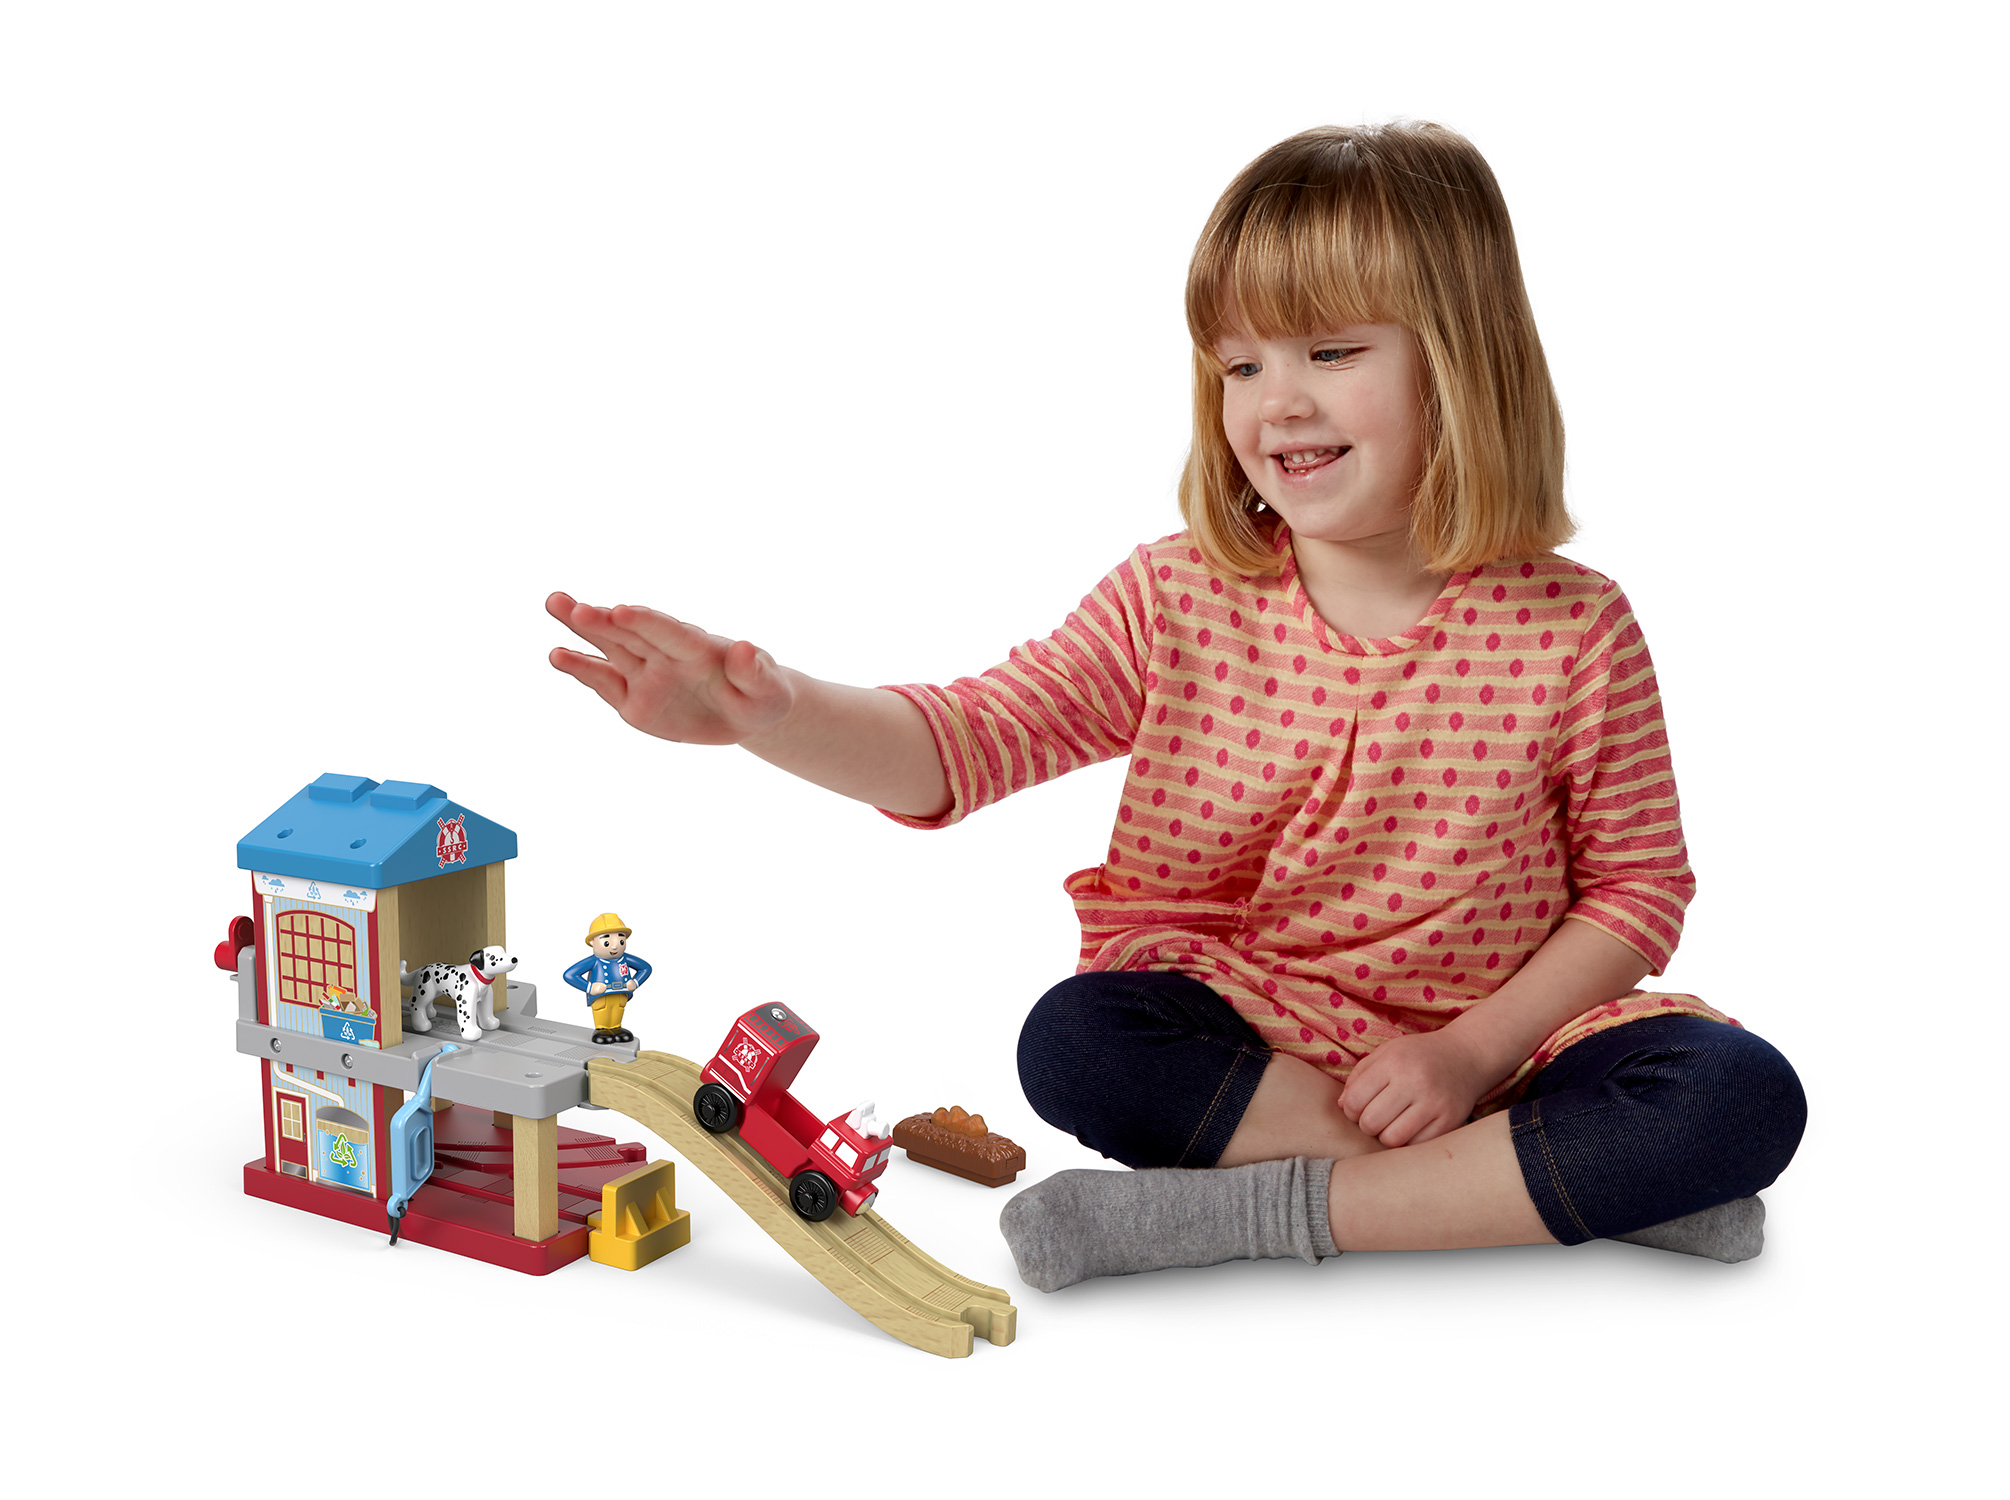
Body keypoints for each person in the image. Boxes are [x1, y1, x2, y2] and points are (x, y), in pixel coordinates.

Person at [545, 122, 1805, 1291]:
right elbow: (961, 743)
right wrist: (766, 716)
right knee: (1077, 1043)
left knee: (1740, 1097)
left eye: (1331, 352)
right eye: (1241, 364)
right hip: (1261, 1039)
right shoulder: (1176, 596)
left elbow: (1637, 891)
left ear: (1464, 362)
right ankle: (1539, 1187)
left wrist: (1469, 1056)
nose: (1277, 401)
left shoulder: (1576, 629)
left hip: (1513, 1046)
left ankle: (1237, 1214)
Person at [562, 912, 652, 1044]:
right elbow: (570, 975)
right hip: (601, 995)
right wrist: (590, 987)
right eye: (606, 942)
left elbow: (646, 968)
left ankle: (616, 1027)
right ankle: (601, 1028)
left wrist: (635, 982)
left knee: (618, 1008)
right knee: (602, 1009)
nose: (615, 946)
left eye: (621, 941)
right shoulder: (594, 961)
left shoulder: (625, 958)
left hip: (621, 992)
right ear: (592, 942)